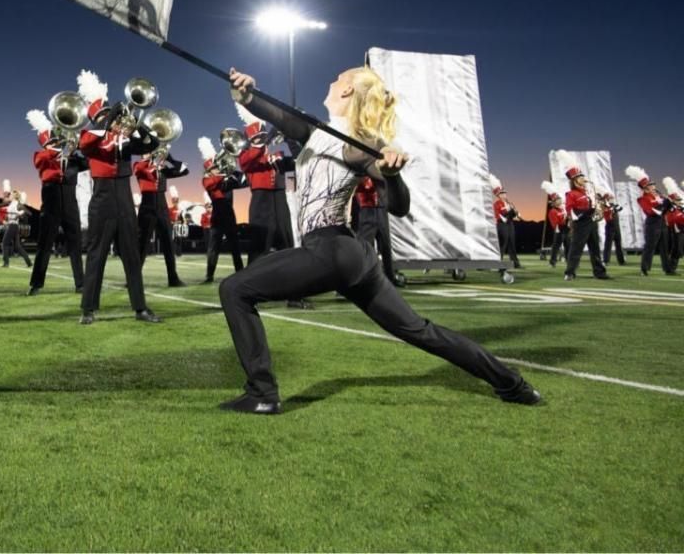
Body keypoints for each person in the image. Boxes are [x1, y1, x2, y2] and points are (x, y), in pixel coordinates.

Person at [216, 66, 540, 413]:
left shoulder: (362, 144)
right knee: (418, 330)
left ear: (347, 92)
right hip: (352, 255)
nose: (331, 80)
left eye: (339, 78)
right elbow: (278, 114)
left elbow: (399, 207)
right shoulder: (316, 130)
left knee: (234, 289)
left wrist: (392, 175)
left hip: (331, 250)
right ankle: (512, 384)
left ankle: (262, 394)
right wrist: (249, 93)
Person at [75, 70, 161, 325]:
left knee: (132, 256)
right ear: (98, 118)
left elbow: (151, 144)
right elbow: (87, 144)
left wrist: (138, 124)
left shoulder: (124, 141)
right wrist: (109, 116)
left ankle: (140, 308)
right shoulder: (90, 137)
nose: (114, 121)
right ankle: (88, 309)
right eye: (106, 117)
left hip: (124, 198)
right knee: (97, 255)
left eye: (111, 116)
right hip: (101, 199)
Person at [26, 110, 86, 295]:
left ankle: (81, 284)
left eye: (57, 141)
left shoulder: (73, 159)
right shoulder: (41, 155)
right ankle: (36, 284)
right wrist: (61, 148)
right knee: (44, 245)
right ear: (46, 144)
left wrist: (79, 146)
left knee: (75, 245)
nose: (56, 144)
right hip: (50, 202)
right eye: (52, 142)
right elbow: (41, 159)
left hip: (70, 202)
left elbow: (90, 162)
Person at [236, 101, 295, 261]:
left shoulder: (278, 155)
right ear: (249, 142)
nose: (261, 141)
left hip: (280, 197)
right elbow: (246, 162)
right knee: (260, 242)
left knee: (286, 237)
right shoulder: (246, 157)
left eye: (262, 137)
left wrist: (289, 137)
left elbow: (297, 161)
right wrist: (263, 141)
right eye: (256, 138)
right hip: (261, 199)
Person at [134, 150, 188, 286]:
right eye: (147, 153)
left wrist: (170, 158)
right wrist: (151, 160)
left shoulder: (161, 170)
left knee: (168, 243)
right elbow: (140, 169)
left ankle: (173, 278)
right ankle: (133, 278)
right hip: (147, 204)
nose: (150, 154)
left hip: (162, 204)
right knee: (142, 244)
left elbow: (184, 171)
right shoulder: (139, 165)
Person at [197, 136, 246, 283]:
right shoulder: (207, 180)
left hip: (230, 216)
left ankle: (241, 273)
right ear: (208, 171)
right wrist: (223, 174)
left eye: (216, 167)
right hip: (217, 217)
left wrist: (232, 171)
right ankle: (209, 275)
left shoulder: (228, 179)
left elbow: (244, 181)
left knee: (235, 248)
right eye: (213, 168)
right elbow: (210, 184)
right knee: (213, 248)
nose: (216, 169)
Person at [560, 157, 609, 281]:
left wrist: (601, 204)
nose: (583, 178)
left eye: (583, 176)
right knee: (576, 248)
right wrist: (586, 212)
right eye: (580, 177)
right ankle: (569, 272)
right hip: (581, 224)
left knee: (595, 248)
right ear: (575, 180)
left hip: (592, 222)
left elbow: (595, 205)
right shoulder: (571, 194)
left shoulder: (588, 192)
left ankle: (599, 272)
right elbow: (571, 211)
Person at [352, 175, 400, 286]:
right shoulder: (362, 165)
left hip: (380, 207)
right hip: (365, 208)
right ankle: (358, 279)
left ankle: (389, 276)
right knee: (364, 247)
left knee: (386, 245)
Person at [629, 166, 674, 276]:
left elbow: (664, 209)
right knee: (650, 247)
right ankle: (644, 269)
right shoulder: (643, 199)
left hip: (662, 222)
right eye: (650, 185)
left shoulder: (658, 196)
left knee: (665, 247)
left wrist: (669, 204)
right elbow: (653, 211)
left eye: (653, 185)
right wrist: (664, 204)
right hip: (652, 224)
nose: (653, 187)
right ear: (645, 188)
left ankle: (667, 269)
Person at [490, 176, 521, 269]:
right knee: (503, 244)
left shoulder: (509, 203)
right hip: (502, 225)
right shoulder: (496, 204)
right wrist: (506, 212)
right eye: (501, 194)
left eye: (504, 193)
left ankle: (515, 263)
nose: (504, 195)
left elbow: (514, 212)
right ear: (498, 195)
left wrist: (517, 214)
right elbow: (497, 214)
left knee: (512, 243)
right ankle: (498, 262)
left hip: (510, 224)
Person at [541, 182, 570, 267]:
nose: (559, 201)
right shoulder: (553, 211)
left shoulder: (563, 208)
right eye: (557, 200)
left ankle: (569, 261)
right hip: (559, 230)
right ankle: (552, 262)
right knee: (556, 247)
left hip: (567, 229)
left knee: (568, 245)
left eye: (559, 199)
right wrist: (563, 222)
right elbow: (555, 223)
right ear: (553, 202)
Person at [600, 193, 626, 266]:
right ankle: (605, 260)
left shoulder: (612, 205)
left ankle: (621, 260)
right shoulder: (604, 207)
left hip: (616, 226)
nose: (611, 199)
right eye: (609, 198)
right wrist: (608, 206)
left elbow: (620, 208)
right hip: (610, 226)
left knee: (618, 244)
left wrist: (611, 207)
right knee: (608, 244)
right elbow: (608, 215)